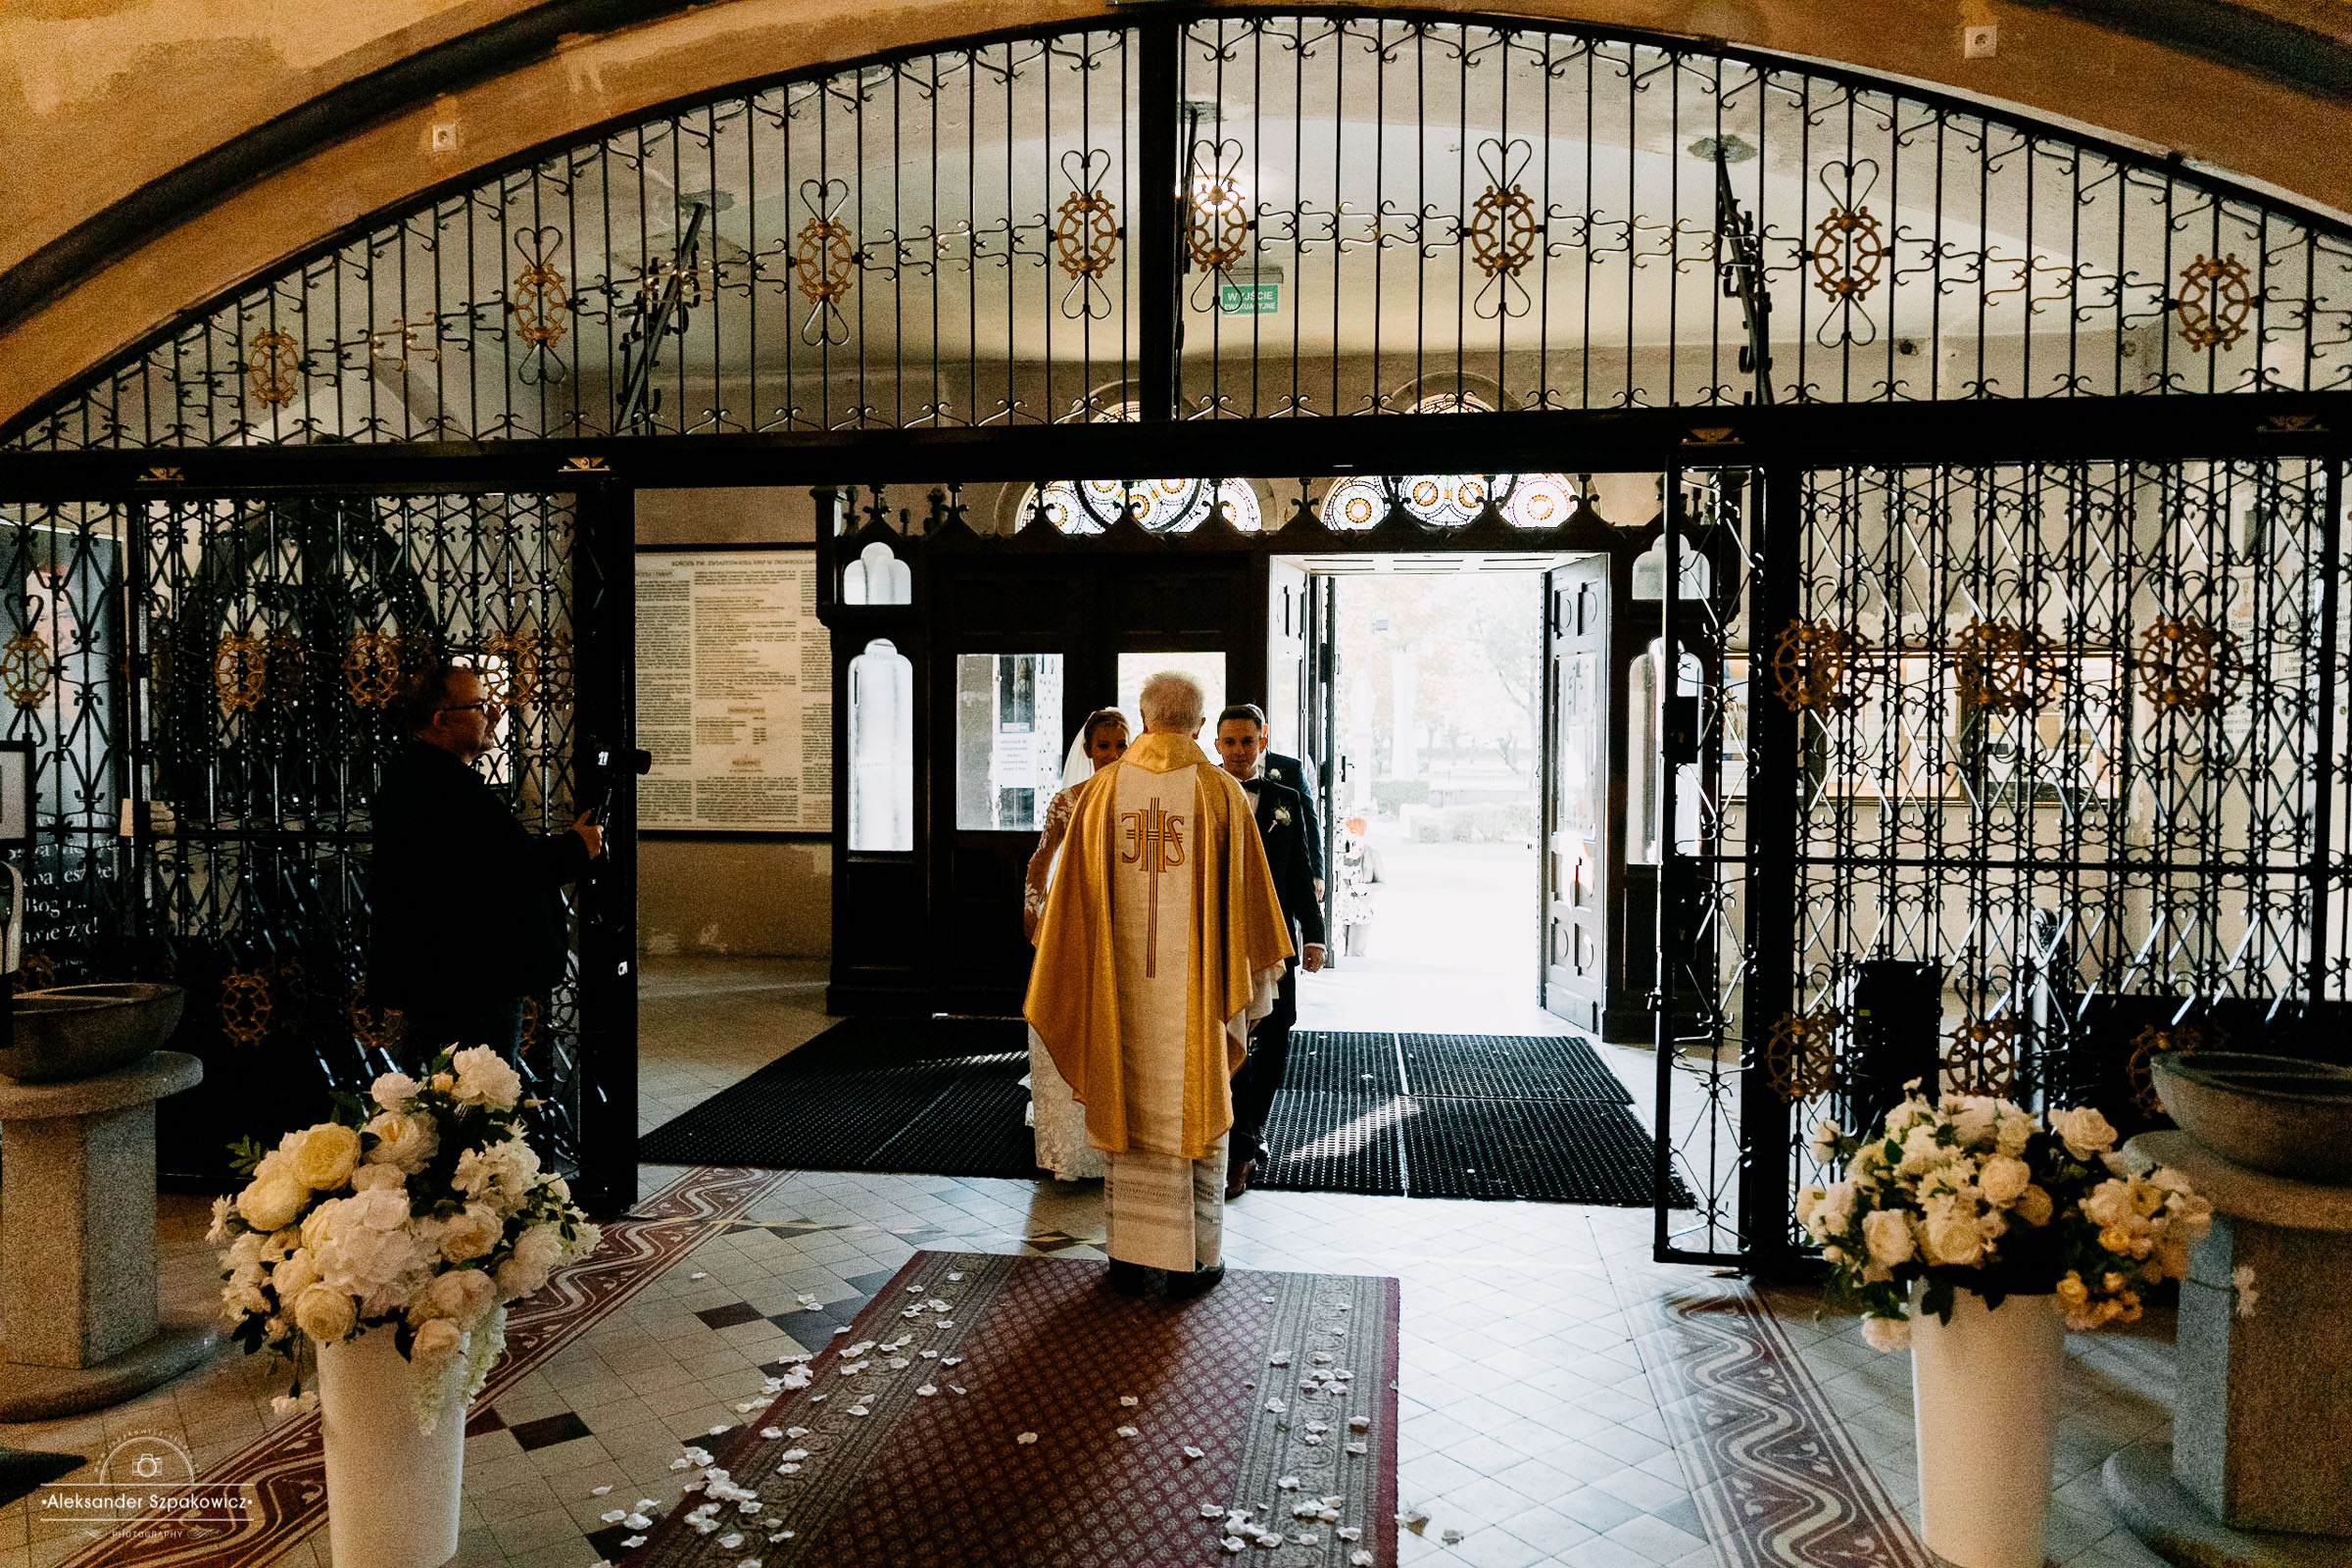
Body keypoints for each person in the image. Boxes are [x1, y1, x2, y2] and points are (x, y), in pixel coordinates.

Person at [1025, 670, 1292, 1298]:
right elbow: (1252, 911)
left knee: (1128, 1095)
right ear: (1200, 727)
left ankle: (1128, 1254)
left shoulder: (1101, 793)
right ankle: (1193, 1262)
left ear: (1144, 722)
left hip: (1120, 996)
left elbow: (1071, 909)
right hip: (1196, 1000)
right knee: (1192, 1101)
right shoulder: (1220, 793)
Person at [368, 661, 602, 1059]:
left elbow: (488, 861)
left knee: (443, 1099)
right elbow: (511, 869)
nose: (494, 714)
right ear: (442, 720)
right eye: (480, 706)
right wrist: (579, 847)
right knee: (475, 1103)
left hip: (445, 978)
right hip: (468, 987)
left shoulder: (419, 776)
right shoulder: (447, 788)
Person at [1213, 704, 1327, 1198]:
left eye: (1247, 741)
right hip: (1216, 936)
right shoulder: (1203, 792)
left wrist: (1315, 934)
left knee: (1277, 1030)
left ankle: (1248, 1137)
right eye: (1229, 742)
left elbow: (1301, 870)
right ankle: (1221, 1131)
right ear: (1216, 745)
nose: (1238, 751)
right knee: (1225, 1035)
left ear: (1263, 742)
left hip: (1275, 938)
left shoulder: (1284, 797)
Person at [1020, 708, 1130, 1181]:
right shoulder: (1069, 800)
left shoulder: (1139, 800)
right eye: (1104, 746)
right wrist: (1036, 915)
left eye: (1121, 745)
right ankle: (1070, 1146)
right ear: (1088, 750)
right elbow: (1041, 861)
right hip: (1075, 922)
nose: (1112, 754)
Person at [1258, 737, 1326, 901]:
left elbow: (1309, 820)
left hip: (1283, 873)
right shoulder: (1221, 773)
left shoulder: (1291, 768)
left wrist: (1316, 871)